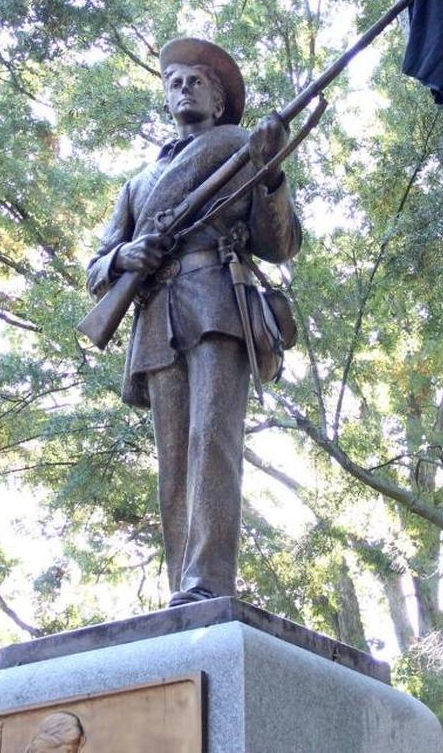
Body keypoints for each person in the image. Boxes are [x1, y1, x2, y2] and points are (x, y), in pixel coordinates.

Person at [86, 38, 301, 607]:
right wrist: (122, 258)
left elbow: (279, 244)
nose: (184, 89)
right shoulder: (136, 185)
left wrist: (272, 173)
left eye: (196, 81)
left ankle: (208, 580)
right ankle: (181, 584)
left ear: (219, 98)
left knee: (213, 442)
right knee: (174, 460)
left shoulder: (240, 151)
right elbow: (96, 268)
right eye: (174, 82)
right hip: (158, 316)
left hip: (217, 306)